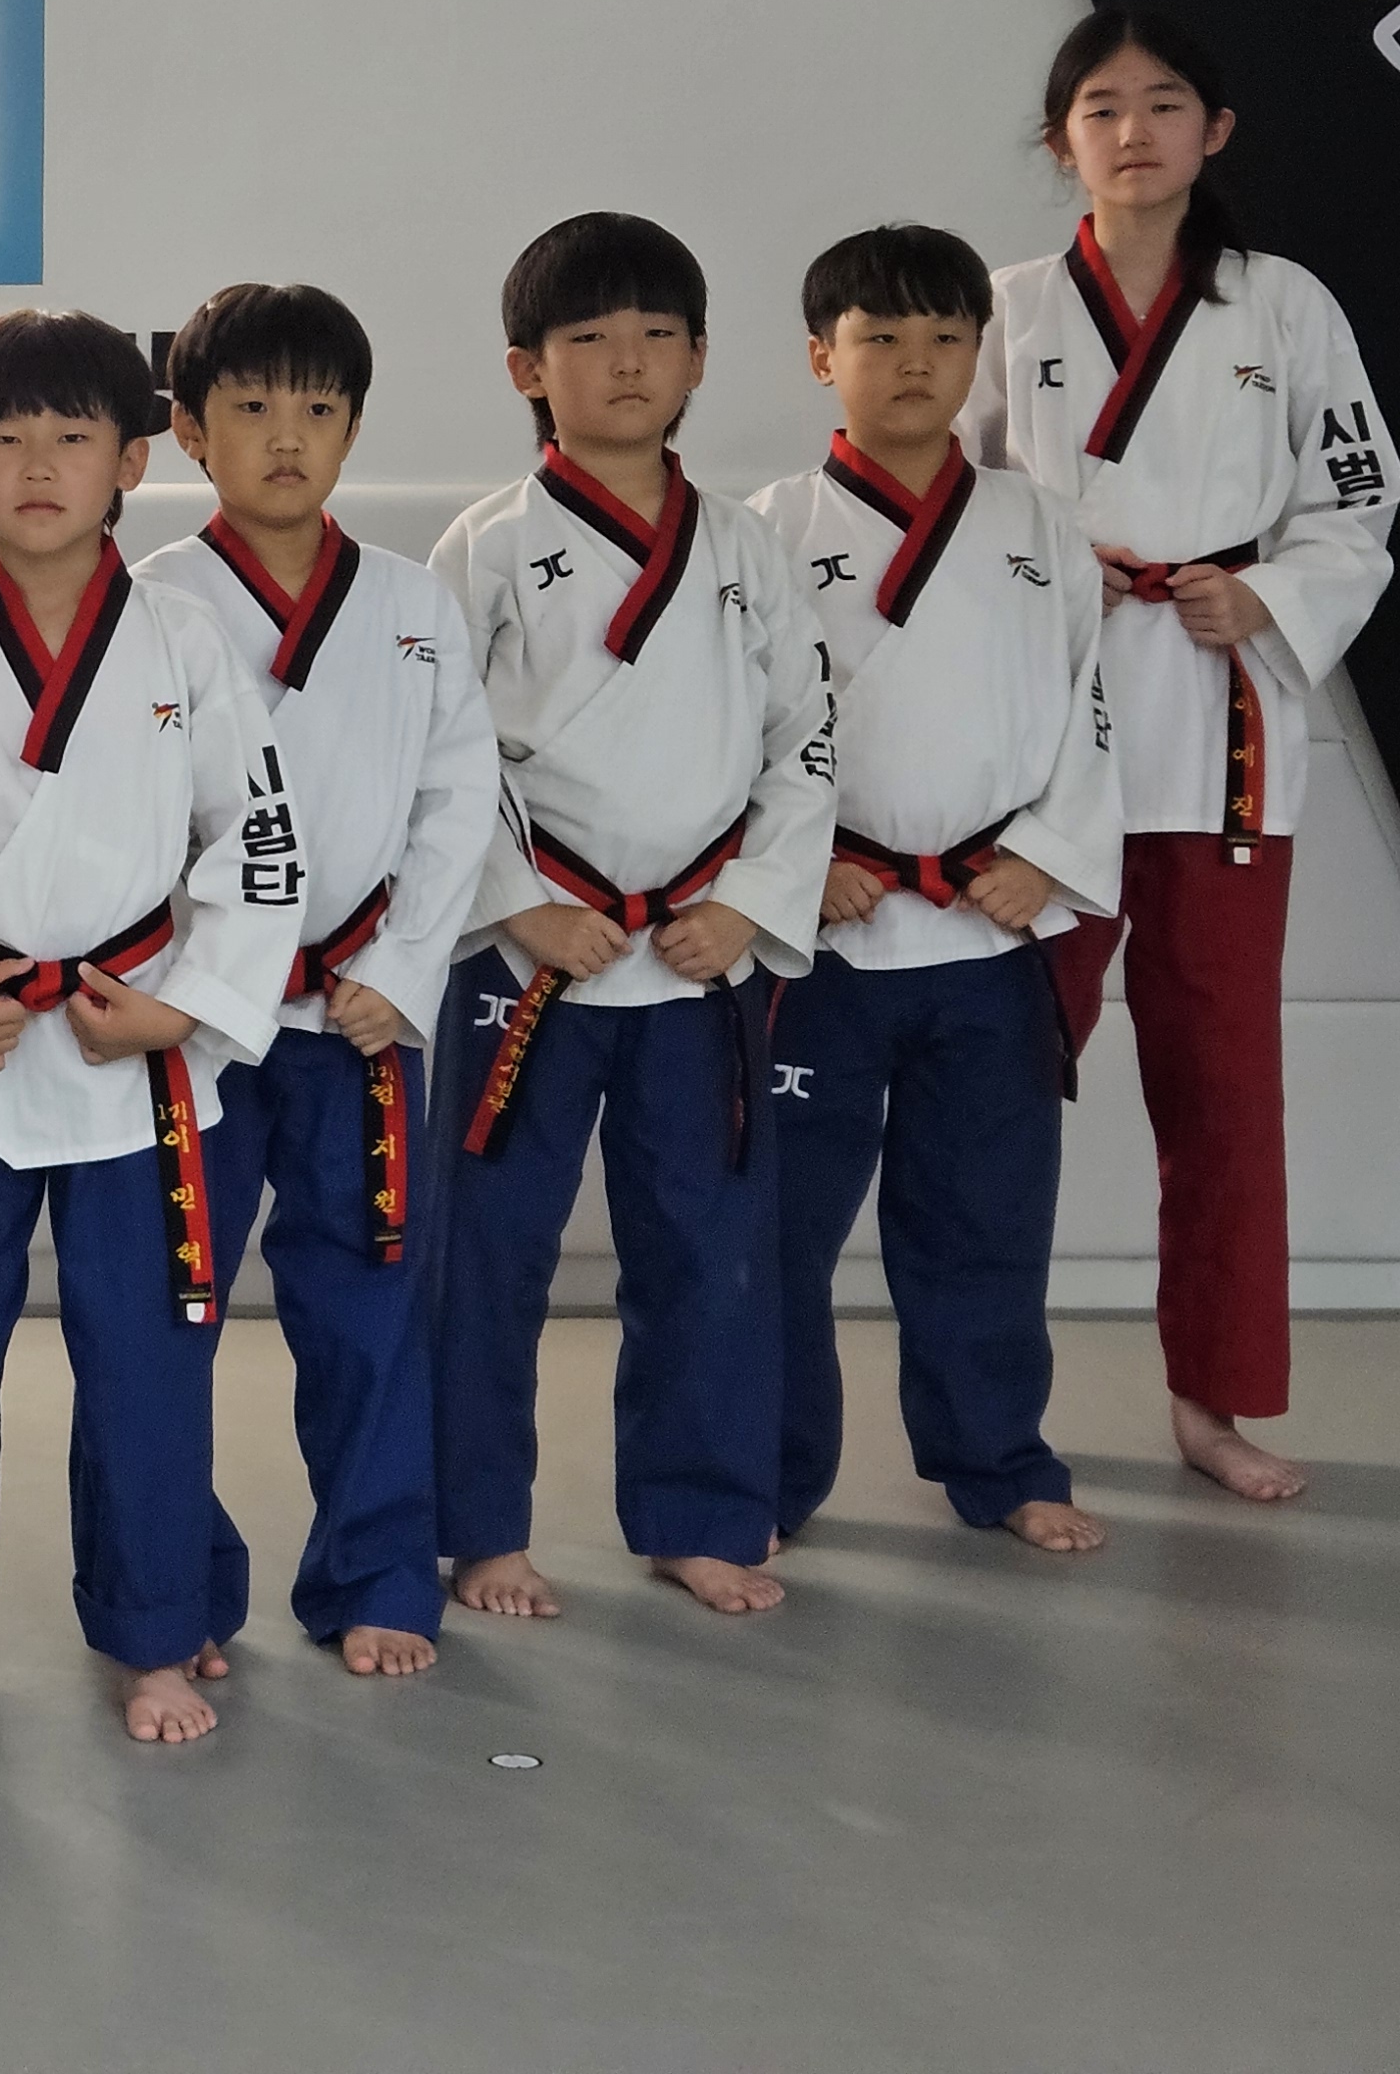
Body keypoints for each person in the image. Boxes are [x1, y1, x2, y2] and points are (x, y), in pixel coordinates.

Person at [0, 311, 309, 1749]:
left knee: (145, 1363)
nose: (38, 466)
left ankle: (155, 1633)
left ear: (133, 461)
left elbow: (261, 838)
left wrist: (188, 1002)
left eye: (71, 437)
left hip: (134, 1050)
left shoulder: (185, 640)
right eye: (4, 439)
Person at [975, 14, 1391, 1505]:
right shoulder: (1008, 308)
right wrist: (1038, 577)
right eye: (1101, 106)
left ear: (1214, 130)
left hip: (1220, 729)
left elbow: (1357, 497)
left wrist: (1266, 594)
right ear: (1061, 141)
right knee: (998, 1086)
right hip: (1046, 746)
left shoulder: (1283, 305)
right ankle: (981, 1410)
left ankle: (1213, 1401)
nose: (1133, 130)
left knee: (1221, 1086)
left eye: (1164, 104)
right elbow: (946, 503)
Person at [428, 212, 833, 1619]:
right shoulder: (485, 547)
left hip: (694, 952)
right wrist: (519, 905)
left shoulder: (745, 547)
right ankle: (480, 1527)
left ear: (700, 359)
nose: (626, 362)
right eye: (589, 338)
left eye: (658, 335)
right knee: (490, 1254)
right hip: (533, 956)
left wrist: (750, 904)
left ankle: (698, 1512)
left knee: (706, 1250)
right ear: (526, 370)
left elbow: (804, 737)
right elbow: (440, 754)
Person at [144, 282, 497, 1676]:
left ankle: (376, 1574)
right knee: (167, 1312)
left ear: (353, 428)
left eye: (317, 408)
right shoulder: (148, 602)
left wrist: (403, 969)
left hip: (360, 1014)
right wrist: (194, 981)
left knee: (368, 1305)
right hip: (197, 1022)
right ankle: (172, 1588)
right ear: (188, 431)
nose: (286, 437)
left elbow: (459, 801)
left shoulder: (412, 602)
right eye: (250, 407)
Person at [754, 224, 1119, 1554]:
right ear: (821, 356)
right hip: (826, 943)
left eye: (944, 337)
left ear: (979, 352)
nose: (915, 363)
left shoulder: (1040, 525)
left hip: (986, 930)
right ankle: (765, 1475)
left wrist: (1049, 856)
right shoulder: (767, 530)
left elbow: (1091, 708)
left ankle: (999, 1458)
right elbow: (735, 726)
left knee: (984, 1222)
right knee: (778, 1232)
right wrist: (800, 863)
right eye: (880, 338)